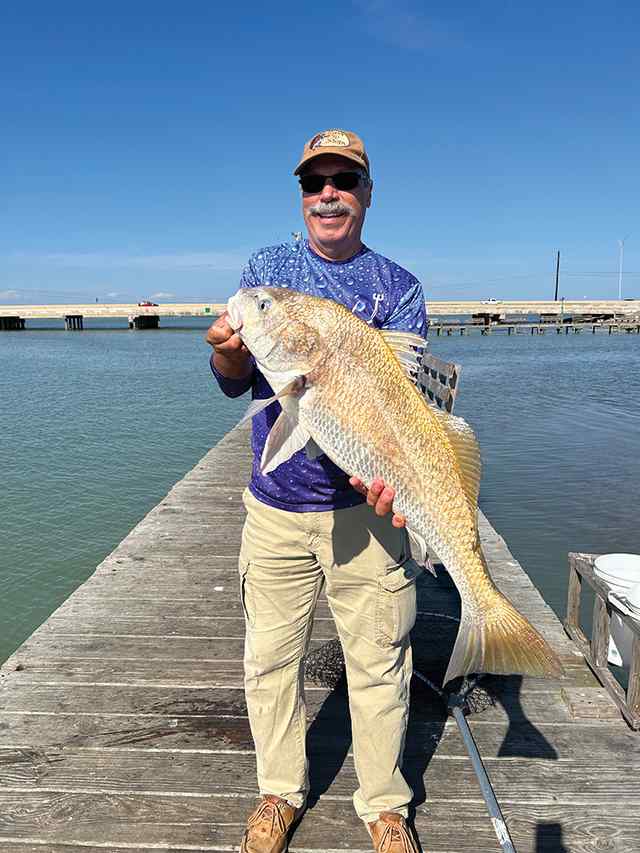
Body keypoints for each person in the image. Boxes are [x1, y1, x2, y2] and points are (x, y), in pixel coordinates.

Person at [206, 129, 427, 853]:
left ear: (366, 193)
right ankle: (278, 791)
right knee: (269, 660)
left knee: (380, 663)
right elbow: (236, 383)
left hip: (368, 512)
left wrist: (402, 482)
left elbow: (409, 409)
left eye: (343, 180)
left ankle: (385, 803)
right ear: (302, 196)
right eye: (313, 182)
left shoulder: (399, 290)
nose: (326, 193)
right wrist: (228, 351)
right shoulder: (268, 269)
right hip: (275, 511)